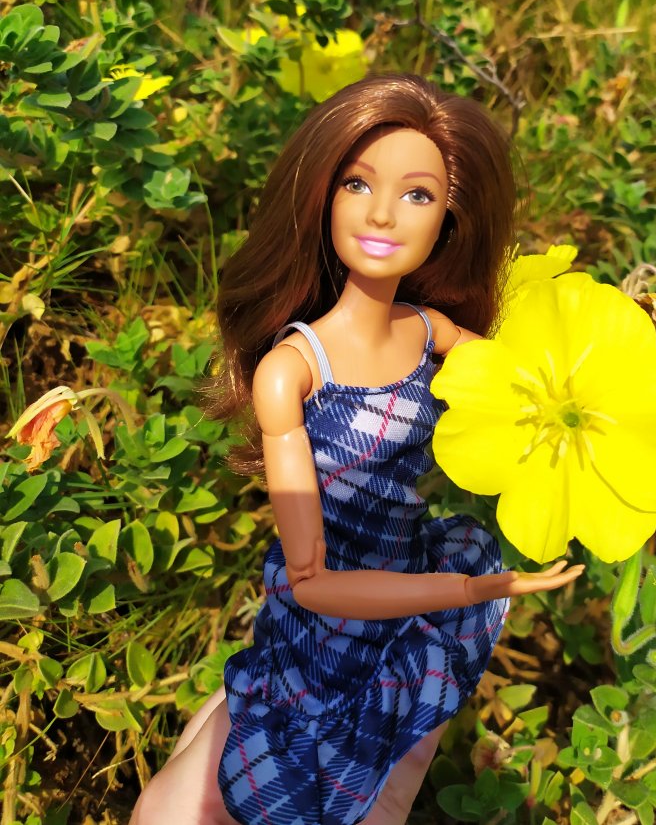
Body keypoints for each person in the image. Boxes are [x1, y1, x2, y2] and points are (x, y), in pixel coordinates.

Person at [130, 74, 583, 825]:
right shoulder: (292, 371)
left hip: (410, 569)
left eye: (418, 194)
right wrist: (468, 592)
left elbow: (514, 372)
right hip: (330, 626)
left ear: (450, 218)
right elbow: (311, 582)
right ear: (323, 195)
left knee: (368, 779)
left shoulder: (428, 328)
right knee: (285, 784)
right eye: (357, 183)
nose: (380, 212)